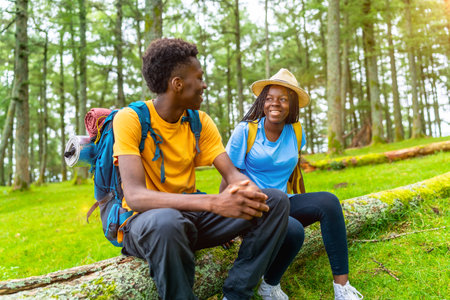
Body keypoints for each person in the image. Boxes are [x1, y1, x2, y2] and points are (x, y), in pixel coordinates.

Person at [112, 38, 290, 300]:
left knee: (274, 200)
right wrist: (214, 203)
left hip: (192, 218)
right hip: (147, 223)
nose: (204, 84)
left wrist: (248, 193)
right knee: (167, 222)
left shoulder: (200, 121)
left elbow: (232, 175)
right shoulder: (131, 119)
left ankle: (236, 293)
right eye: (199, 77)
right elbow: (136, 196)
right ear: (178, 84)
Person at [222, 69, 363, 300]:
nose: (274, 104)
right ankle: (269, 284)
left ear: (292, 104)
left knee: (329, 201)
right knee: (294, 229)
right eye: (269, 98)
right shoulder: (246, 131)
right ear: (262, 102)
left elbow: (294, 171)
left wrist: (307, 201)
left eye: (282, 99)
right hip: (252, 207)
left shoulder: (296, 131)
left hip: (283, 202)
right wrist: (225, 219)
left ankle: (342, 288)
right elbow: (228, 173)